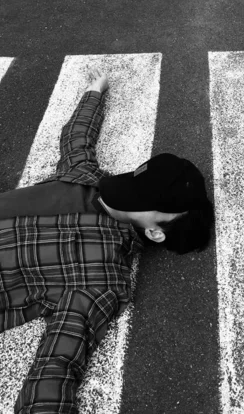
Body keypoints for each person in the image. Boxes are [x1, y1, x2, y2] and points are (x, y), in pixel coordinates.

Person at [0, 69, 214, 414]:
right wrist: (94, 92)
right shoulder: (88, 177)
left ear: (155, 231)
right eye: (137, 178)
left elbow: (57, 367)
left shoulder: (101, 278)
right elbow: (77, 137)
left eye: (144, 195)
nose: (123, 185)